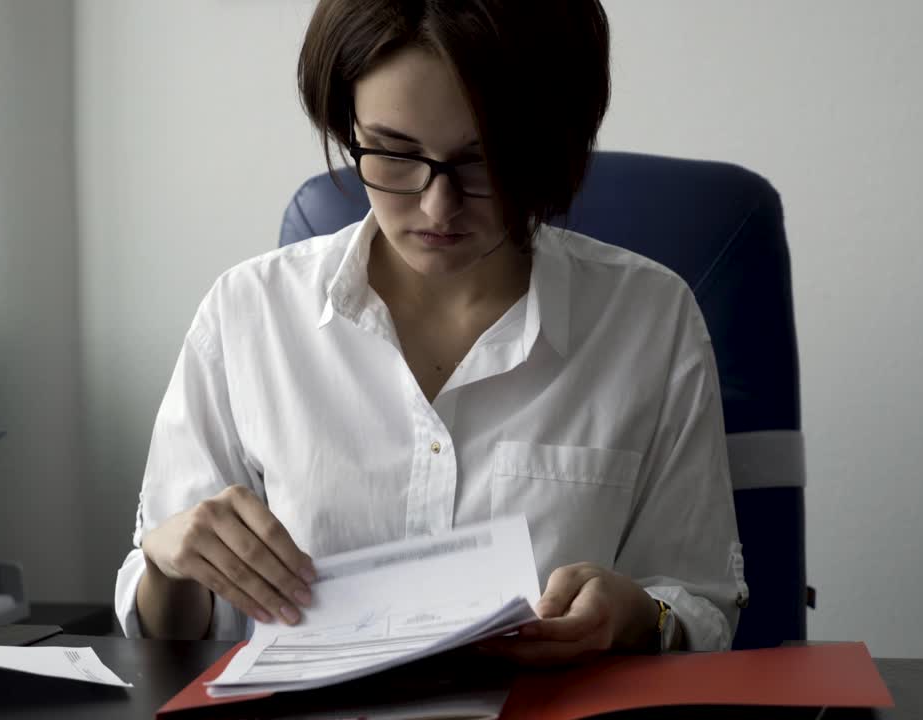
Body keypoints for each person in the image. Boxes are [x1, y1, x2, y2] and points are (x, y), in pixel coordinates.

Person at [115, 0, 748, 664]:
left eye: (484, 161)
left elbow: (700, 606)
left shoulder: (648, 322)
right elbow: (166, 639)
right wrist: (168, 565)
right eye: (392, 153)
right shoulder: (249, 316)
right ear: (347, 124)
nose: (435, 206)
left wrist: (638, 615)